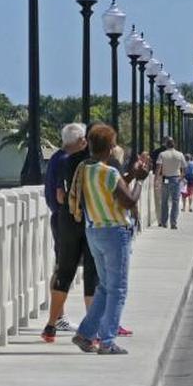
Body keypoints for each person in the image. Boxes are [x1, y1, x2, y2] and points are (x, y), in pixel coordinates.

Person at [71, 124, 149, 355]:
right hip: (114, 232)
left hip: (94, 231)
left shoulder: (86, 169)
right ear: (110, 148)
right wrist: (141, 181)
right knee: (118, 289)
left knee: (105, 287)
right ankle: (106, 341)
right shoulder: (109, 172)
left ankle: (85, 334)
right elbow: (129, 201)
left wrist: (131, 174)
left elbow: (111, 189)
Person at [41, 123, 92, 342]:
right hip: (74, 221)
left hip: (61, 220)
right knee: (86, 272)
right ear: (81, 141)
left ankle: (54, 322)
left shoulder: (55, 158)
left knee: (63, 268)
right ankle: (68, 321)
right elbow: (63, 195)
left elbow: (55, 195)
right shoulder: (69, 161)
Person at [156, 137, 186, 229]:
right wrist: (181, 177)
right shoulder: (180, 154)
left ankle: (164, 222)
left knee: (164, 200)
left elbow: (158, 167)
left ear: (166, 145)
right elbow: (184, 168)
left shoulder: (162, 154)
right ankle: (173, 222)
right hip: (176, 178)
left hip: (166, 178)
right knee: (175, 201)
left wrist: (157, 179)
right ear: (174, 145)